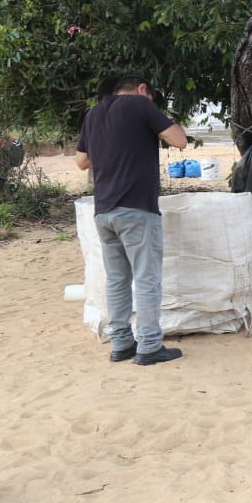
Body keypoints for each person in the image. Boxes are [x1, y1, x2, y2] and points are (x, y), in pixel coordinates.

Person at [74, 74, 188, 365]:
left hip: (104, 210)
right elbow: (179, 141)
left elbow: (81, 161)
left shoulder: (93, 114)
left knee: (116, 280)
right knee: (147, 278)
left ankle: (121, 344)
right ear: (141, 89)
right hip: (136, 208)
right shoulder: (139, 104)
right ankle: (149, 346)